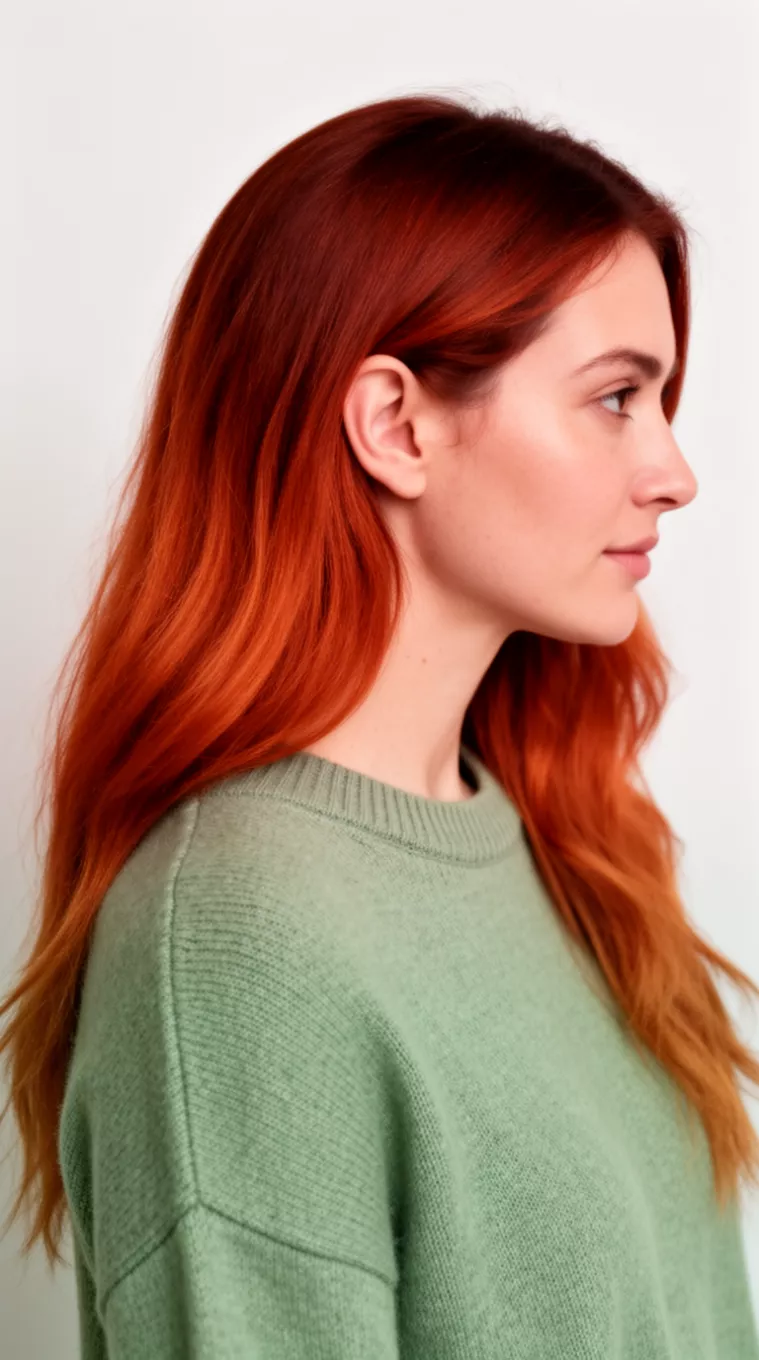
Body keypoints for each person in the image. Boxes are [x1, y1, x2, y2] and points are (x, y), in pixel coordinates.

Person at [2, 91, 759, 1358]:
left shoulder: (556, 835)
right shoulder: (237, 937)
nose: (675, 469)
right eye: (618, 397)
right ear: (395, 424)